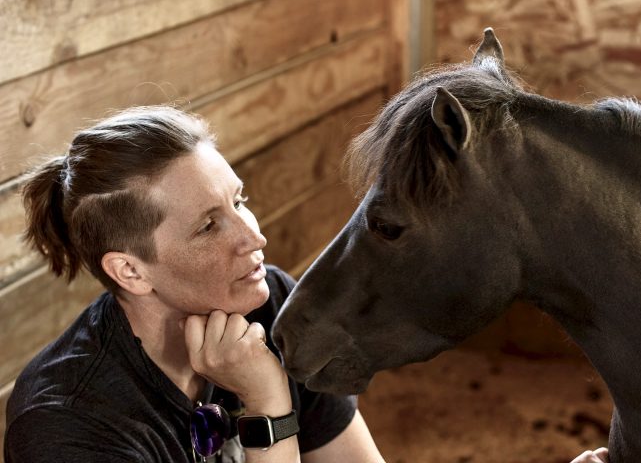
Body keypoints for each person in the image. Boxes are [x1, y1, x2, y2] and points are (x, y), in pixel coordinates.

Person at [4, 106, 384, 462]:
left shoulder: (274, 307)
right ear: (130, 271)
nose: (254, 238)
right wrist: (267, 403)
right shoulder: (66, 425)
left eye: (238, 201)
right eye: (207, 226)